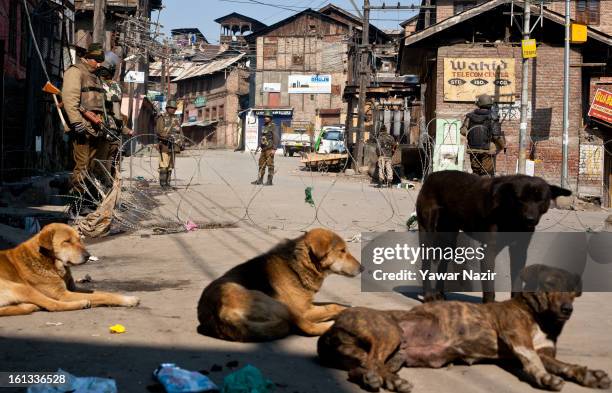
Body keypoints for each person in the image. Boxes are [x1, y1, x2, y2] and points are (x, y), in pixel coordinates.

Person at [61, 43, 106, 214]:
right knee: (81, 166)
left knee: (91, 167)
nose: (100, 64)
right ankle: (77, 204)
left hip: (95, 128)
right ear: (88, 58)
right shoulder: (76, 71)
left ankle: (87, 201)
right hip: (82, 128)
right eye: (97, 61)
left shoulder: (95, 76)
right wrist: (76, 122)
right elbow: (69, 99)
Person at [97, 51, 133, 183]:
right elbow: (117, 114)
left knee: (99, 164)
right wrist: (124, 129)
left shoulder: (93, 81)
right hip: (108, 132)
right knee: (107, 164)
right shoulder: (112, 86)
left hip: (97, 128)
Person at [460, 94, 506, 176]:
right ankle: (485, 188)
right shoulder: (493, 117)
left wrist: (472, 135)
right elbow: (496, 136)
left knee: (475, 172)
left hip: (473, 149)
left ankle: (475, 187)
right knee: (486, 173)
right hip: (487, 150)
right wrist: (503, 145)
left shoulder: (470, 116)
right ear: (490, 105)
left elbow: (463, 131)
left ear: (479, 104)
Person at [156, 100, 183, 190]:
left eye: (174, 108)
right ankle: (163, 183)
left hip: (175, 144)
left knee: (171, 165)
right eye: (171, 108)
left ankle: (168, 183)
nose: (173, 110)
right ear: (167, 108)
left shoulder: (177, 118)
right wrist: (167, 136)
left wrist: (182, 142)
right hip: (165, 144)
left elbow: (180, 131)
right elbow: (159, 130)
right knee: (164, 164)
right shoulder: (162, 117)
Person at [251, 112, 279, 186]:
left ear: (270, 118)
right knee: (261, 164)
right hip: (263, 149)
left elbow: (276, 138)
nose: (265, 118)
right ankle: (260, 180)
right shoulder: (263, 126)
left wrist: (274, 149)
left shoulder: (273, 126)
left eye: (267, 117)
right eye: (265, 116)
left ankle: (270, 181)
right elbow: (262, 137)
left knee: (270, 165)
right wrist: (258, 146)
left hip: (269, 149)